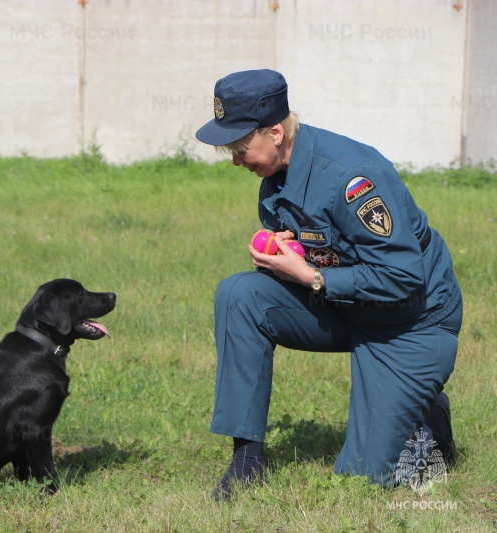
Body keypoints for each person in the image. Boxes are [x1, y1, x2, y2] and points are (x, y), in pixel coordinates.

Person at [194, 69, 463, 499]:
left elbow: (402, 276)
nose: (235, 160)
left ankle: (429, 416)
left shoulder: (352, 178)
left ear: (276, 132)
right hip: (347, 303)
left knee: (365, 478)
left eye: (242, 148)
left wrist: (311, 275)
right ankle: (246, 463)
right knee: (239, 295)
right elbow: (324, 247)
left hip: (410, 320)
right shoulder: (276, 176)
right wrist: (288, 256)